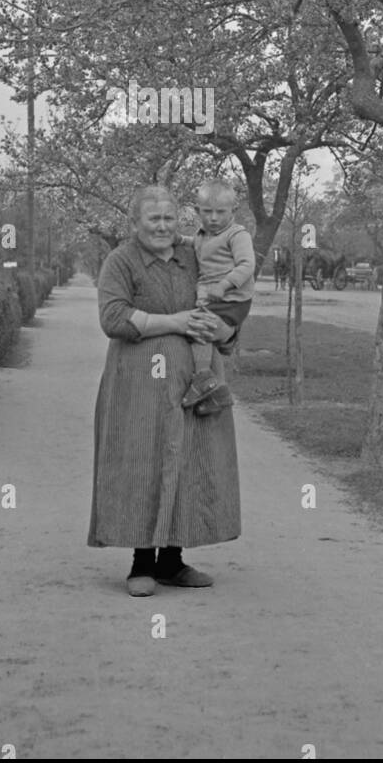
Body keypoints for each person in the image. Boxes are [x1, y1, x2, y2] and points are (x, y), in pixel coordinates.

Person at [91, 185, 242, 596]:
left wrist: (224, 329)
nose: (162, 226)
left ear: (181, 219)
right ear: (135, 222)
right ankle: (142, 562)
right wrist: (176, 322)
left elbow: (228, 299)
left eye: (169, 218)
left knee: (190, 460)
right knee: (144, 462)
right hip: (137, 386)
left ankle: (173, 561)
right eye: (153, 219)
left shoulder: (196, 254)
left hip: (196, 381)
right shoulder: (121, 261)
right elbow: (114, 318)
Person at [181, 180, 256, 411]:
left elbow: (247, 265)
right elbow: (197, 246)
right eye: (207, 212)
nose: (214, 218)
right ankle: (221, 390)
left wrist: (223, 285)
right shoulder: (203, 235)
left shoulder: (237, 234)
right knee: (209, 336)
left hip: (232, 298)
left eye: (220, 212)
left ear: (233, 211)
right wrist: (179, 240)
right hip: (216, 298)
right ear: (197, 211)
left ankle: (203, 377)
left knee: (199, 329)